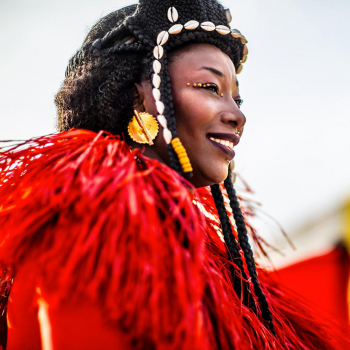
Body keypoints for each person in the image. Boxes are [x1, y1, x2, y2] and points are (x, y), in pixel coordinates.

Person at [0, 1, 348, 349]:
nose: (236, 116)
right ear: (138, 99)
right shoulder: (92, 215)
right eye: (210, 87)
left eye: (238, 100)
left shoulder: (189, 242)